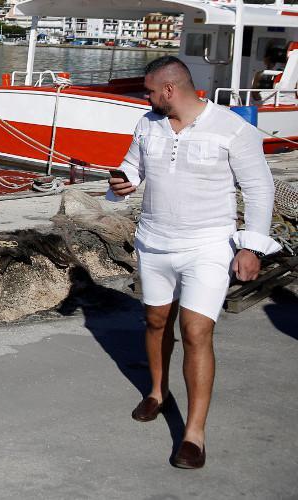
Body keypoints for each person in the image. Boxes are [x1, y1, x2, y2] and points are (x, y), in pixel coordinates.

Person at [107, 56, 281, 469]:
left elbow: (260, 190)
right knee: (155, 319)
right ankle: (157, 392)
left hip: (208, 245)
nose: (145, 98)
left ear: (169, 89)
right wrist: (122, 182)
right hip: (153, 241)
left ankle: (194, 434)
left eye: (150, 90)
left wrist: (251, 249)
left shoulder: (233, 128)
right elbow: (132, 165)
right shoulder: (148, 124)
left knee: (196, 329)